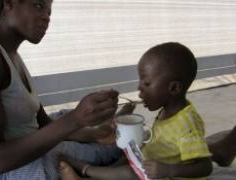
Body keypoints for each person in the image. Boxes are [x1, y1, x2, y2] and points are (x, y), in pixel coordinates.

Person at [0, 0, 136, 179]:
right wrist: (76, 119)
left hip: (23, 150)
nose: (46, 17)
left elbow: (44, 123)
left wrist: (92, 134)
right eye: (39, 6)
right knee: (115, 146)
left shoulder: (11, 55)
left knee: (87, 128)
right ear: (10, 2)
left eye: (49, 11)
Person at [56, 42, 215, 180]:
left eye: (146, 83)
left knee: (127, 173)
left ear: (173, 88)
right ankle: (90, 174)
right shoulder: (169, 109)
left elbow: (205, 166)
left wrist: (168, 169)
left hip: (166, 176)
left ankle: (86, 169)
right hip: (150, 164)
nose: (139, 87)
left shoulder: (187, 125)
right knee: (126, 159)